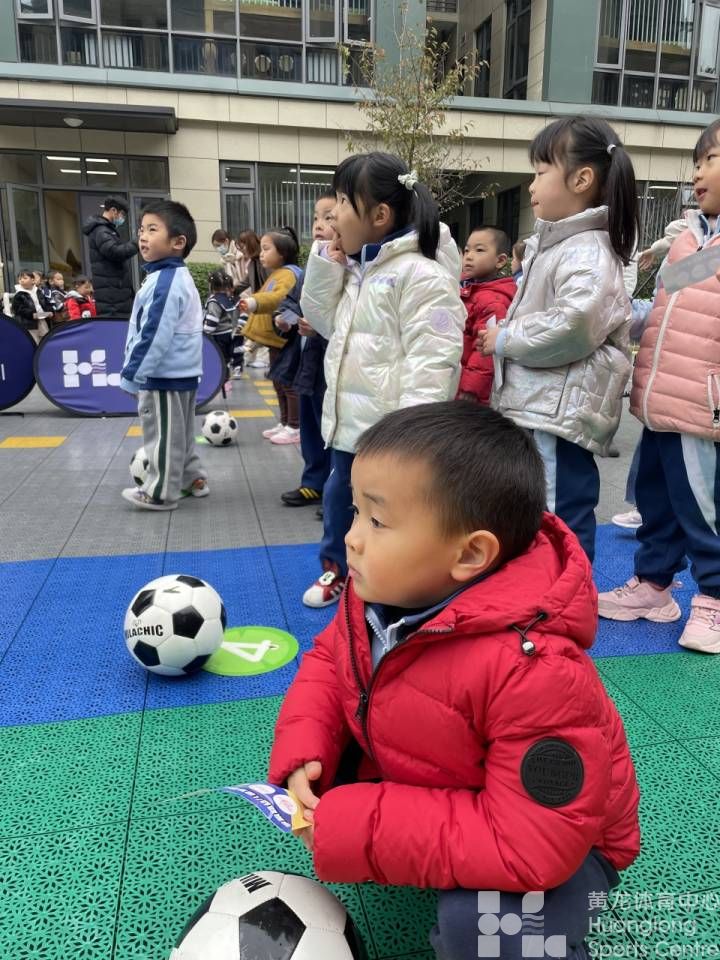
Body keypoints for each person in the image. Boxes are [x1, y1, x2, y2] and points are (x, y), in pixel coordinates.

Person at [268, 402, 640, 960]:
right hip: (466, 787)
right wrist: (306, 749)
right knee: (338, 767)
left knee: (484, 929)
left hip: (567, 846)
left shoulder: (534, 671)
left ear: (470, 553)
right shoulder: (378, 599)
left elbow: (532, 846)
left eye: (377, 521)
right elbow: (328, 667)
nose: (352, 539)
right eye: (353, 514)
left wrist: (356, 826)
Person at [299, 152, 465, 608]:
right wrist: (326, 264)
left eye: (340, 207)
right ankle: (338, 572)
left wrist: (412, 435)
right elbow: (324, 320)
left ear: (379, 215)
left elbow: (434, 360)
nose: (331, 219)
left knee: (387, 515)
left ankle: (395, 582)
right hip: (351, 425)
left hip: (392, 435)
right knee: (340, 505)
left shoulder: (421, 274)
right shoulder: (359, 270)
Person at [479, 116, 637, 563]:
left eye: (539, 171)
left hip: (558, 412)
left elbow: (573, 325)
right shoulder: (557, 245)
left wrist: (505, 338)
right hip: (542, 407)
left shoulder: (586, 249)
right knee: (541, 509)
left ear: (581, 179)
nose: (530, 185)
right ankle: (545, 593)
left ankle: (564, 601)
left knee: (558, 513)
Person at [598, 118, 720, 653]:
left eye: (710, 159)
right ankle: (654, 586)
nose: (698, 172)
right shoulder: (696, 240)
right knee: (656, 497)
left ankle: (715, 599)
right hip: (662, 398)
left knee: (704, 506)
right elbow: (663, 305)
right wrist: (618, 318)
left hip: (703, 403)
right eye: (696, 162)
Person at [120, 200, 207, 512]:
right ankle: (192, 479)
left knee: (162, 435)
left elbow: (154, 333)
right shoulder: (170, 277)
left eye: (152, 230)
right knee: (180, 433)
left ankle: (159, 493)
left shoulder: (166, 281)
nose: (142, 236)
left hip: (164, 375)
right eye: (141, 229)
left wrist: (133, 375)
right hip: (179, 372)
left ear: (177, 242)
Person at [281, 192, 336, 509]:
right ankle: (313, 481)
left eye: (328, 217)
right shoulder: (313, 262)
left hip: (330, 360)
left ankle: (333, 487)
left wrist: (319, 326)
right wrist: (286, 320)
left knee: (331, 426)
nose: (319, 225)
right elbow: (292, 302)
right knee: (311, 423)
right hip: (309, 361)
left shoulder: (347, 264)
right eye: (316, 217)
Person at [240, 228, 304, 445]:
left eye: (267, 249)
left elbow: (278, 298)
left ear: (283, 253)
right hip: (275, 339)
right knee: (279, 381)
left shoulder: (288, 274)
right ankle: (286, 422)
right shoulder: (278, 273)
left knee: (287, 382)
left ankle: (294, 426)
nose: (261, 254)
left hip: (284, 338)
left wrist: (254, 302)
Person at [456, 226, 516, 405]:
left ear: (500, 261)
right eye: (467, 250)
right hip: (461, 376)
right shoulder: (472, 290)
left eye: (479, 250)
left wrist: (471, 388)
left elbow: (486, 348)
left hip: (472, 392)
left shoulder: (493, 299)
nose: (469, 256)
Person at [82, 197, 138, 318]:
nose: (123, 219)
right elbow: (115, 252)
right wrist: (137, 243)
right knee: (115, 330)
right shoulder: (101, 230)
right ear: (113, 210)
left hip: (113, 294)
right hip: (112, 298)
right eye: (122, 214)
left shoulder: (105, 230)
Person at [236, 230, 270, 371]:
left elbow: (272, 283)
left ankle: (262, 359)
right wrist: (229, 291)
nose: (242, 251)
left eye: (243, 247)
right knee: (256, 331)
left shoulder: (263, 261)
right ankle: (251, 356)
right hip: (260, 304)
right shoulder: (252, 263)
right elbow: (245, 283)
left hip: (269, 303)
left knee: (262, 332)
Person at [203, 269, 239, 390]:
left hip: (217, 335)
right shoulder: (227, 300)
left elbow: (212, 320)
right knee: (225, 359)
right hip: (227, 333)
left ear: (211, 286)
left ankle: (222, 382)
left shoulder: (214, 301)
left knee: (217, 359)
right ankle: (225, 381)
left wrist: (205, 332)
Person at [11, 269, 52, 342]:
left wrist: (49, 311)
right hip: (28, 323)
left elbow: (45, 302)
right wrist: (31, 314)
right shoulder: (19, 295)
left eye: (25, 278)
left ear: (33, 280)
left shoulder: (38, 291)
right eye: (20, 279)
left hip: (41, 319)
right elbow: (19, 309)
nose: (22, 280)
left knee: (45, 338)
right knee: (33, 340)